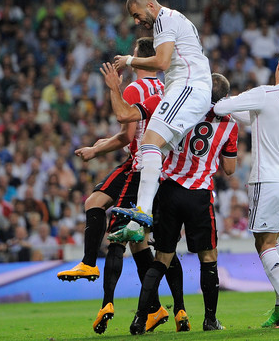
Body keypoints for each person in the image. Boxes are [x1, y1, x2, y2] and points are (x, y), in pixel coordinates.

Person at [57, 38, 187, 334]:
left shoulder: (134, 88)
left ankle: (92, 270)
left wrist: (94, 150)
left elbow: (128, 134)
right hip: (163, 169)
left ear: (139, 58)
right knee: (148, 243)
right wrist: (98, 146)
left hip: (138, 166)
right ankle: (166, 309)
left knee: (102, 214)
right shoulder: (165, 88)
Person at [104, 67, 237, 334]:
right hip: (199, 193)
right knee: (208, 257)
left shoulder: (178, 109)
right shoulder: (229, 123)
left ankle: (141, 318)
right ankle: (210, 320)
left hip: (169, 190)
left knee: (162, 257)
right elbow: (230, 169)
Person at [213, 48, 279, 329]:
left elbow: (220, 107)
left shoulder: (266, 93)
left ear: (278, 66)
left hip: (270, 179)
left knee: (264, 243)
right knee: (269, 242)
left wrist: (218, 101)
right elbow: (255, 119)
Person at [111, 0, 212, 238]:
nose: (137, 21)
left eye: (137, 14)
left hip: (188, 87)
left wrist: (129, 61)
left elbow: (162, 62)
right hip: (186, 89)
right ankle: (144, 224)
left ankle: (144, 213)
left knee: (149, 143)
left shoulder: (165, 19)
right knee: (156, 153)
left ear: (149, 4)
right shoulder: (174, 19)